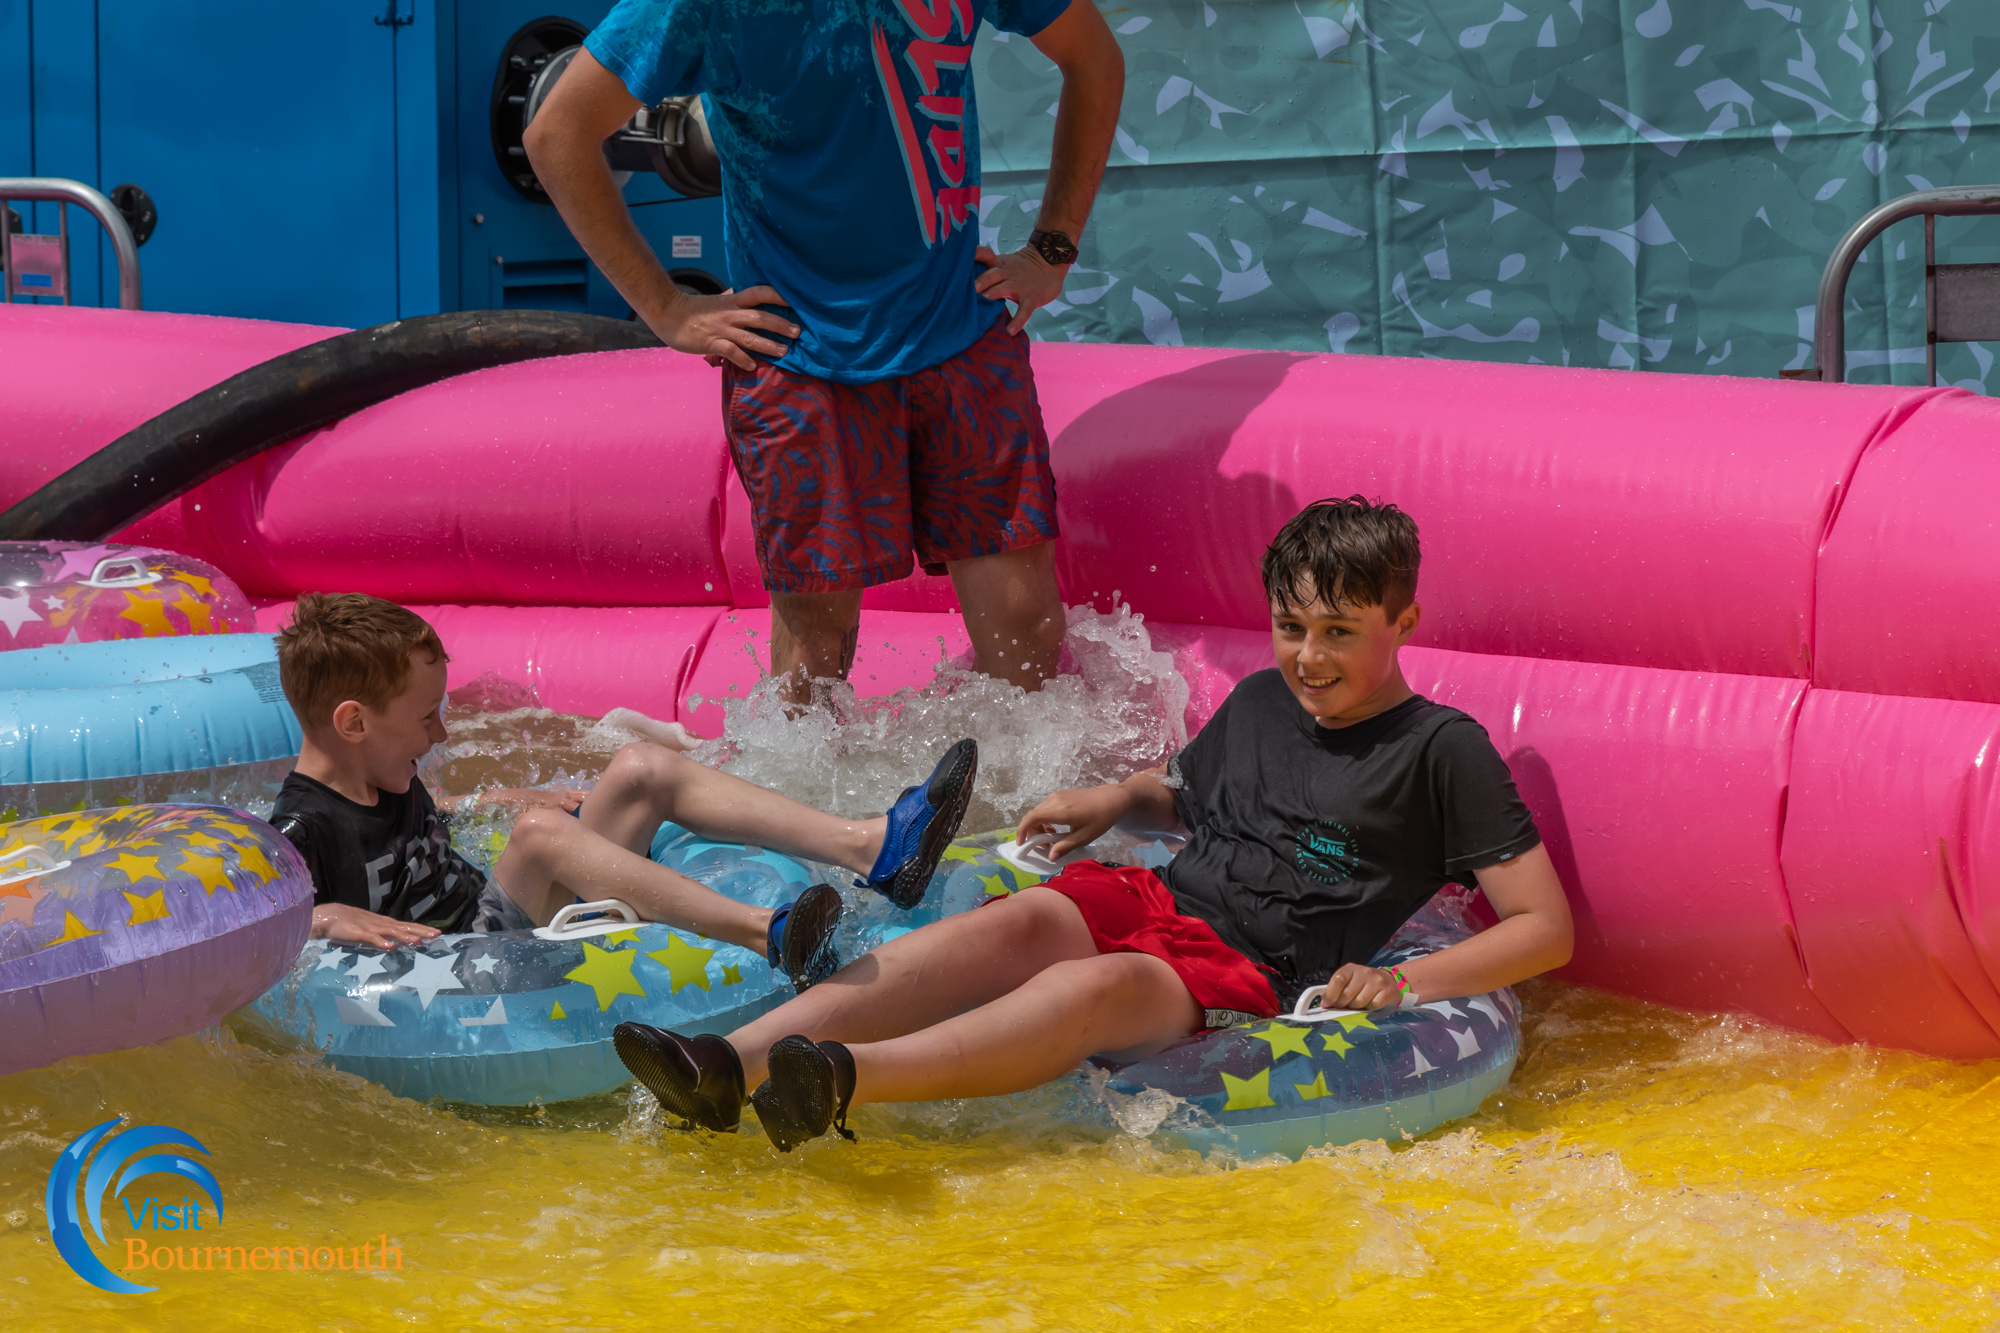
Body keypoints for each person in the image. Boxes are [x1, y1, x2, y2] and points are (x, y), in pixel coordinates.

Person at [611, 498, 1576, 1149]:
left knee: (1100, 984)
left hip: (1253, 968)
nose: (1309, 657)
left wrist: (1402, 978)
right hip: (1160, 898)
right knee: (1016, 921)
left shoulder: (1442, 750)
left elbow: (1544, 927)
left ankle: (840, 1078)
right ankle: (721, 1064)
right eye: (1292, 627)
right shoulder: (1260, 702)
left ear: (1402, 622)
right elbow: (1187, 796)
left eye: (1339, 633)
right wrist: (1116, 797)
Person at [522, 0, 1125, 703]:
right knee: (813, 660)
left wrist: (1052, 247)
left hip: (960, 336)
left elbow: (1094, 58)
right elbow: (556, 132)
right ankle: (819, 814)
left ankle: (1005, 812)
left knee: (1027, 643)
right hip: (800, 358)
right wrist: (665, 308)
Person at [268, 593, 979, 992]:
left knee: (640, 765)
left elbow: (424, 825)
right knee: (540, 837)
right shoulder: (303, 828)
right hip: (455, 970)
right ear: (353, 723)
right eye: (425, 716)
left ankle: (874, 846)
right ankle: (768, 931)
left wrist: (507, 798)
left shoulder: (383, 768)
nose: (442, 729)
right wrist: (320, 917)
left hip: (497, 916)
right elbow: (255, 921)